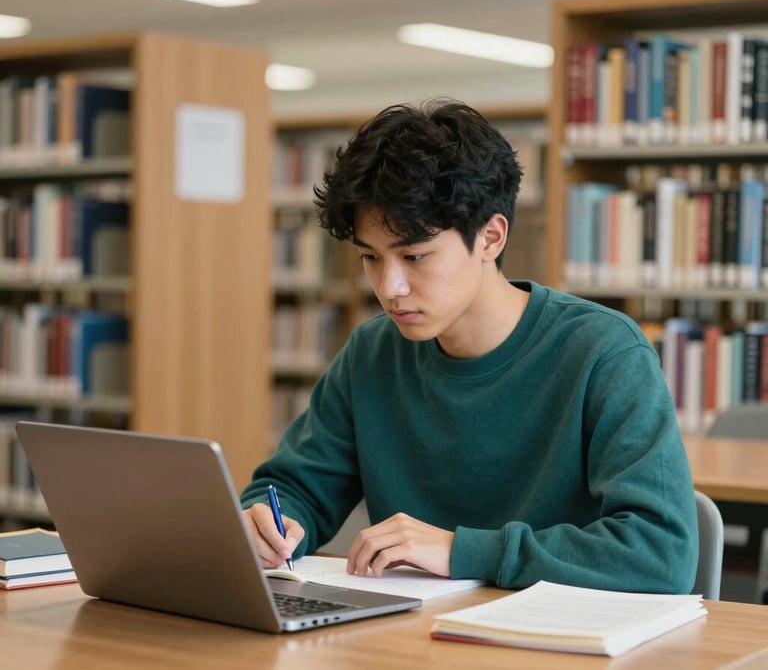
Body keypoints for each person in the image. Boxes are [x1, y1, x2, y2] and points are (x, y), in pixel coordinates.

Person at [240, 98, 698, 592]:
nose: (389, 287)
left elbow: (661, 553)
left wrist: (463, 551)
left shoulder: (604, 352)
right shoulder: (372, 352)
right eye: (371, 257)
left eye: (415, 256)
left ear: (491, 238)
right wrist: (266, 522)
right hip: (409, 639)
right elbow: (295, 488)